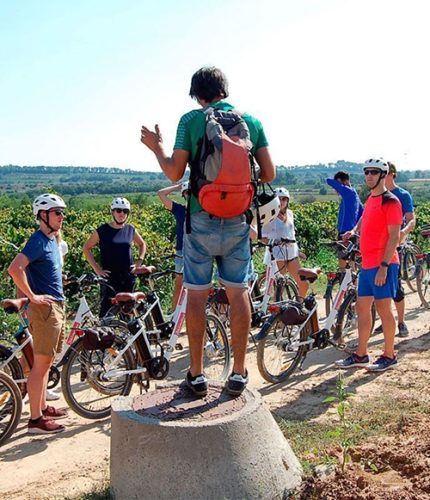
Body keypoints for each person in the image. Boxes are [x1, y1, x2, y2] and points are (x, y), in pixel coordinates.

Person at [141, 66, 276, 397]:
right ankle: (240, 373)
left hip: (200, 218)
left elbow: (174, 173)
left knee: (197, 295)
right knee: (238, 291)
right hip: (238, 220)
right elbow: (270, 173)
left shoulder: (190, 120)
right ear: (224, 90)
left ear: (197, 94)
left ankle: (198, 374)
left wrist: (156, 148)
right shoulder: (252, 122)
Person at [8, 193, 69, 434]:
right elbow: (15, 268)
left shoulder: (50, 240)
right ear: (43, 216)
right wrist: (32, 297)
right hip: (45, 311)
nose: (61, 217)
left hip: (55, 307)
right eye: (57, 213)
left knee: (46, 362)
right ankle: (35, 419)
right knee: (41, 366)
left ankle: (42, 407)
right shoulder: (37, 241)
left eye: (62, 212)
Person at [336, 158, 402, 372]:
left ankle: (389, 355)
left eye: (374, 172)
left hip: (384, 264)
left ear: (383, 175)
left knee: (383, 309)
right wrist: (354, 231)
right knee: (362, 307)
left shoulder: (391, 201)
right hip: (367, 263)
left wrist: (384, 265)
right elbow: (365, 218)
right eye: (366, 172)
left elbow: (394, 237)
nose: (369, 176)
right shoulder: (372, 199)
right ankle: (361, 354)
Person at [83, 197, 147, 317]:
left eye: (125, 211)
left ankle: (128, 335)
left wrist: (140, 261)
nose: (121, 214)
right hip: (110, 278)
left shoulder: (130, 229)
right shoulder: (102, 230)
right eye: (118, 210)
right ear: (112, 212)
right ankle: (104, 334)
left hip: (128, 277)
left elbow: (142, 244)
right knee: (106, 311)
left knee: (128, 311)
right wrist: (97, 269)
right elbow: (86, 248)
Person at [373, 161, 416, 337]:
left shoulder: (402, 195)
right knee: (380, 286)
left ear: (391, 174)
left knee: (396, 286)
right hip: (378, 247)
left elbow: (412, 219)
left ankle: (401, 322)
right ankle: (386, 320)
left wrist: (403, 232)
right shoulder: (377, 195)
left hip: (395, 245)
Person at [261, 188, 308, 299]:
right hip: (277, 254)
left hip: (291, 253)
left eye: (284, 199)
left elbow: (292, 235)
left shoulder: (290, 214)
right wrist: (275, 242)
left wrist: (298, 251)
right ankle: (275, 312)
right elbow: (262, 237)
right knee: (280, 288)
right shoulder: (270, 216)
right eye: (279, 199)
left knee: (304, 284)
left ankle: (298, 307)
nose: (282, 201)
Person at [157, 181, 188, 309]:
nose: (189, 195)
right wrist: (178, 186)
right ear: (183, 195)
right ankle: (175, 317)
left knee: (202, 287)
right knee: (179, 285)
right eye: (186, 193)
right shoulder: (180, 210)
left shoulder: (204, 210)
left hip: (199, 251)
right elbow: (161, 194)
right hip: (182, 251)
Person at [326, 171, 363, 270]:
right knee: (351, 263)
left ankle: (345, 284)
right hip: (352, 233)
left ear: (345, 182)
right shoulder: (354, 195)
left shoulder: (348, 192)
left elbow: (328, 181)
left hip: (345, 233)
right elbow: (362, 214)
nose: (336, 190)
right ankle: (353, 285)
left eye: (338, 185)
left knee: (343, 265)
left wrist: (337, 183)